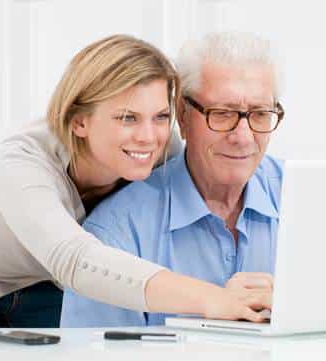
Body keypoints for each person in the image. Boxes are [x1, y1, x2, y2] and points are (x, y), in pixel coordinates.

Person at [0, 34, 271, 328]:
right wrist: (213, 299)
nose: (148, 137)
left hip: (47, 285)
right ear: (80, 121)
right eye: (127, 118)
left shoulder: (161, 148)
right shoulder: (19, 163)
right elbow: (74, 258)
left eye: (159, 117)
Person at [60, 32, 285, 327]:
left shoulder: (309, 198)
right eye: (221, 113)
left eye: (260, 114)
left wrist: (302, 304)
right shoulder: (115, 232)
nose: (243, 138)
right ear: (182, 114)